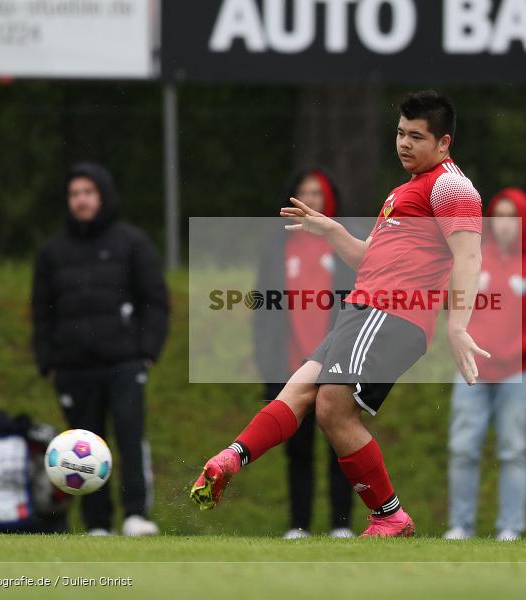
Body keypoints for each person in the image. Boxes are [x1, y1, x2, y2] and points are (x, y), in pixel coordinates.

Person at [191, 90, 487, 537]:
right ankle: (230, 457)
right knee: (299, 390)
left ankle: (389, 516)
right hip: (364, 310)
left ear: (444, 143)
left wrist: (459, 326)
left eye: (417, 137)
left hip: (392, 314)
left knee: (332, 406)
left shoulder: (450, 186)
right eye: (400, 133)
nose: (404, 143)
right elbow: (372, 259)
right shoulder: (406, 190)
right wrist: (330, 230)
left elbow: (468, 257)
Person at [32, 162, 169, 536]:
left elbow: (154, 301)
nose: (81, 200)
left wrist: (147, 351)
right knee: (83, 443)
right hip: (73, 367)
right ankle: (96, 523)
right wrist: (48, 361)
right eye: (74, 194)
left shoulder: (132, 243)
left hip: (124, 363)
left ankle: (136, 514)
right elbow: (41, 312)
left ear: (103, 196)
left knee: (129, 435)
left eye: (88, 193)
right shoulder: (52, 252)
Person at [443, 188, 526, 542]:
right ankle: (460, 526)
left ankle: (510, 528)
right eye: (496, 217)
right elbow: (450, 302)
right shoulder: (472, 258)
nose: (503, 226)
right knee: (463, 447)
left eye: (510, 217)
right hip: (473, 370)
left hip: (521, 373)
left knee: (513, 451)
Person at [254, 167, 355, 539]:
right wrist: (268, 366)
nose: (310, 199)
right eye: (304, 192)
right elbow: (262, 312)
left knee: (341, 446)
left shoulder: (344, 245)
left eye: (317, 193)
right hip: (291, 366)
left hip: (337, 366)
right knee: (297, 450)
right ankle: (299, 525)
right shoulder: (277, 248)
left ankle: (341, 525)